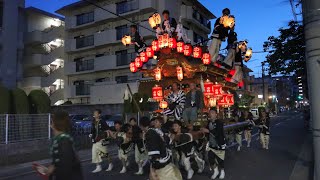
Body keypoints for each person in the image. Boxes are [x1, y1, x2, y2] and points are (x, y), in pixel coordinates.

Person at [45, 111, 83, 180]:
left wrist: (52, 170)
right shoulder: (61, 139)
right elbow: (60, 161)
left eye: (52, 123)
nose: (50, 126)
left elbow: (66, 167)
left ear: (56, 124)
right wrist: (50, 168)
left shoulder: (64, 141)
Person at [201, 109, 226, 179]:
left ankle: (222, 171)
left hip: (219, 144)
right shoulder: (209, 122)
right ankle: (215, 171)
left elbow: (218, 133)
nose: (210, 114)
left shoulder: (219, 123)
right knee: (210, 159)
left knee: (220, 160)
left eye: (212, 113)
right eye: (210, 113)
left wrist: (208, 131)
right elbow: (206, 130)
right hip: (211, 145)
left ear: (216, 115)